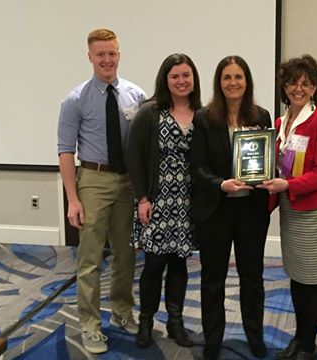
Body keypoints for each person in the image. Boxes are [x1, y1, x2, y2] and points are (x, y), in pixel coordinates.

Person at [57, 28, 146, 354]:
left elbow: (144, 145)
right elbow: (65, 151)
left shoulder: (136, 95)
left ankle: (122, 312)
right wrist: (73, 199)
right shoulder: (75, 100)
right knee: (90, 258)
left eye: (112, 53)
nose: (107, 60)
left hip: (127, 182)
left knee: (126, 255)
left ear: (119, 55)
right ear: (90, 56)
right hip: (93, 180)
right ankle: (90, 325)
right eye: (100, 54)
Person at [257, 54, 317, 360]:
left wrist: (287, 185)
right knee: (296, 276)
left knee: (312, 280)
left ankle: (308, 344)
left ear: (315, 88)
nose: (298, 88)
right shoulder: (281, 123)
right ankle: (299, 338)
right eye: (293, 82)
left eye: (306, 83)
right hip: (290, 209)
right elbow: (278, 166)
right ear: (285, 86)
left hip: (314, 211)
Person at [191, 55, 271, 360]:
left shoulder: (261, 116)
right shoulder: (203, 118)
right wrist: (220, 184)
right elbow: (196, 166)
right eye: (227, 77)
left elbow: (266, 161)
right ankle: (213, 340)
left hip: (251, 210)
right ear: (219, 82)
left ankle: (255, 337)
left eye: (239, 77)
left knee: (253, 278)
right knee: (213, 279)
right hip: (216, 210)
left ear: (247, 81)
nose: (233, 83)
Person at [127, 53, 201, 349]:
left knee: (180, 265)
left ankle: (175, 321)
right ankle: (146, 321)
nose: (181, 81)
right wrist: (142, 197)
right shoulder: (150, 112)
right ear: (165, 80)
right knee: (154, 265)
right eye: (175, 76)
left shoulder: (203, 113)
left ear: (194, 78)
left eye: (186, 75)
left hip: (187, 203)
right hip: (157, 201)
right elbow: (134, 155)